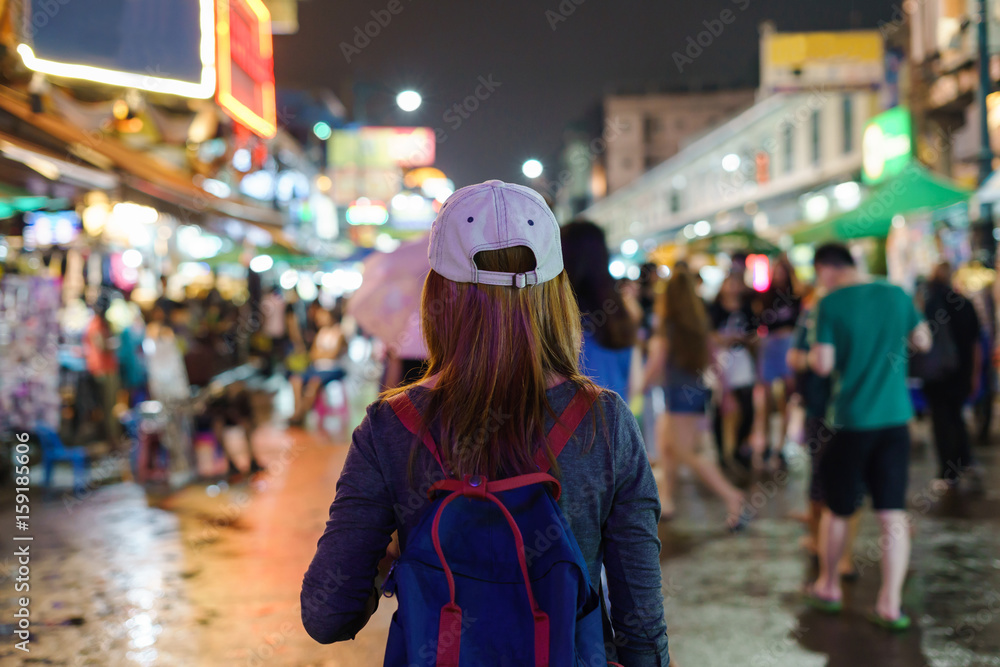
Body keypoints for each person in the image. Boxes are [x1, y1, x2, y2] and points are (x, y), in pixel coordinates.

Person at [301, 180, 670, 665]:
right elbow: (642, 630)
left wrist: (389, 557)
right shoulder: (605, 422)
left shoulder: (390, 427)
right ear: (556, 294)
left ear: (437, 293)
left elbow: (327, 614)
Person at [806, 243, 931, 631]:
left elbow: (823, 365)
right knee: (892, 515)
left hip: (851, 420)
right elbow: (923, 341)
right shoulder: (896, 293)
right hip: (895, 420)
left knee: (839, 509)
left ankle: (828, 586)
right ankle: (890, 605)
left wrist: (814, 354)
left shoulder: (829, 303)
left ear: (826, 269)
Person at [644, 266, 747, 528]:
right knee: (668, 447)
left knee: (687, 453)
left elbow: (656, 365)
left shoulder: (667, 328)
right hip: (694, 395)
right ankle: (666, 500)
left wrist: (634, 389)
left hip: (678, 398)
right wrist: (725, 395)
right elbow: (714, 360)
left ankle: (733, 497)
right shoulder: (697, 325)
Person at [561, 220, 638, 400]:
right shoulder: (619, 312)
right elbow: (635, 385)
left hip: (569, 425)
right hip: (617, 421)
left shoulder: (558, 315)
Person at [920, 262, 982, 486]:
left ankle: (949, 470)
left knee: (942, 421)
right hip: (961, 374)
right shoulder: (965, 304)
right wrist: (975, 374)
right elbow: (976, 343)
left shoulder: (929, 305)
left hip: (938, 375)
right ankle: (964, 461)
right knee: (956, 417)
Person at [752, 255, 801, 468]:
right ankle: (766, 444)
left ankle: (780, 445)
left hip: (787, 347)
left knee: (786, 401)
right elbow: (761, 323)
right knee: (767, 400)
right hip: (771, 347)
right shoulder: (766, 296)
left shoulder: (796, 297)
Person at [709, 273, 758, 470]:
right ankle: (722, 453)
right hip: (720, 359)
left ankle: (740, 447)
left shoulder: (747, 308)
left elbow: (754, 334)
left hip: (741, 359)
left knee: (747, 407)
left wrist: (745, 340)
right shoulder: (714, 309)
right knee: (720, 407)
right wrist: (723, 339)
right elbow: (708, 335)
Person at [289, 306, 347, 425]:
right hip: (317, 367)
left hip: (333, 368)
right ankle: (298, 411)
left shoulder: (339, 333)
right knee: (296, 380)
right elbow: (313, 354)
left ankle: (301, 414)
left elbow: (333, 355)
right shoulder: (321, 333)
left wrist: (320, 353)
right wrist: (322, 353)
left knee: (314, 383)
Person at [83, 289, 121, 446]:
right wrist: (111, 343)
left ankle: (111, 440)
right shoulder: (96, 324)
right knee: (108, 409)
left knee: (110, 408)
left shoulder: (103, 323)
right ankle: (112, 441)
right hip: (102, 371)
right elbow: (102, 345)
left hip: (108, 369)